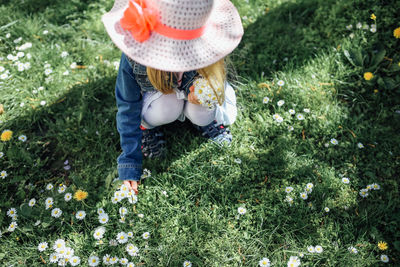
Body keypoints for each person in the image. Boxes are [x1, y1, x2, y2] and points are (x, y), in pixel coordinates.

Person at [102, 0, 244, 194]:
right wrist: (130, 160)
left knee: (202, 109)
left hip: (192, 95)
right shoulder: (135, 57)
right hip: (158, 98)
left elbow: (215, 79)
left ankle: (204, 122)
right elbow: (127, 105)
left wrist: (200, 91)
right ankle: (147, 128)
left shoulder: (207, 47)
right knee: (167, 106)